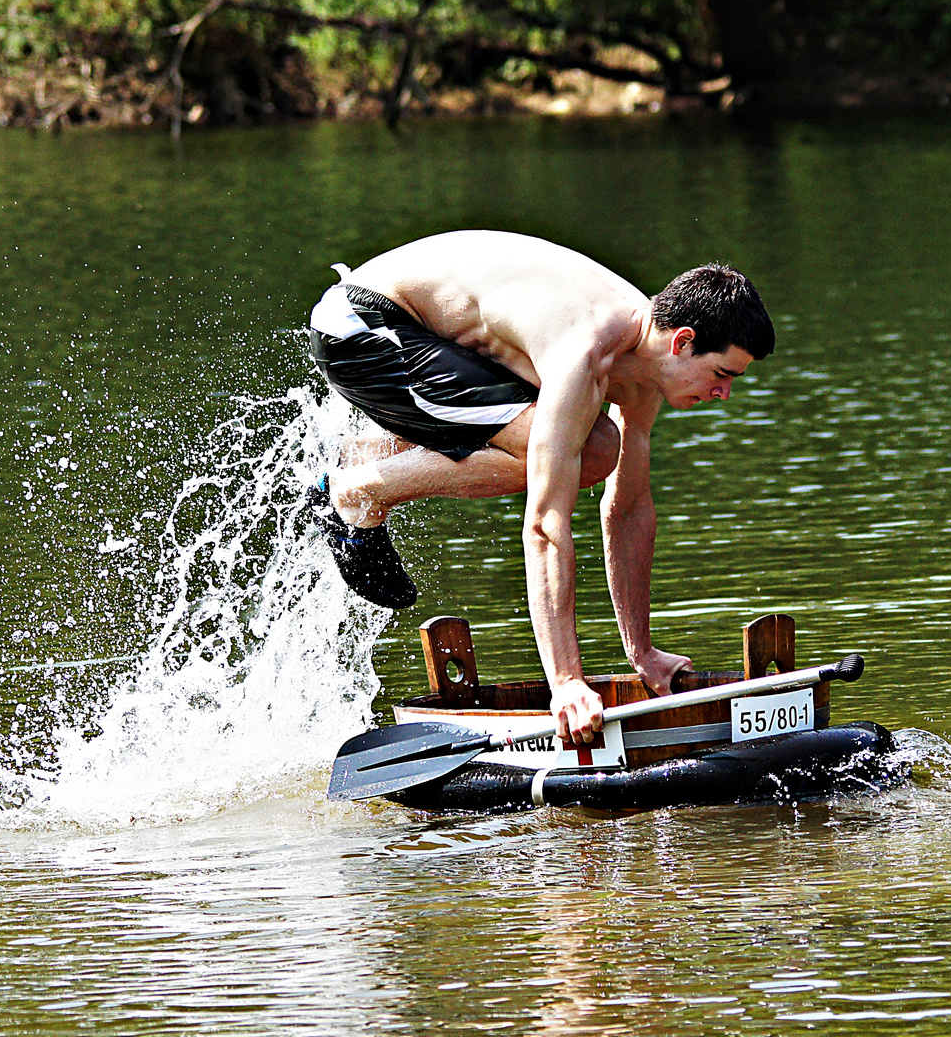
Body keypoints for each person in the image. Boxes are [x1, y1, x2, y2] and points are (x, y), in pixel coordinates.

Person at [306, 230, 773, 745]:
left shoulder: (642, 369)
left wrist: (642, 652)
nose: (725, 394)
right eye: (722, 374)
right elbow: (546, 526)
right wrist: (566, 683)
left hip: (418, 327)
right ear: (683, 341)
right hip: (361, 324)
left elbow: (630, 507)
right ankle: (358, 490)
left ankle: (360, 459)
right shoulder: (586, 351)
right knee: (588, 450)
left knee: (597, 446)